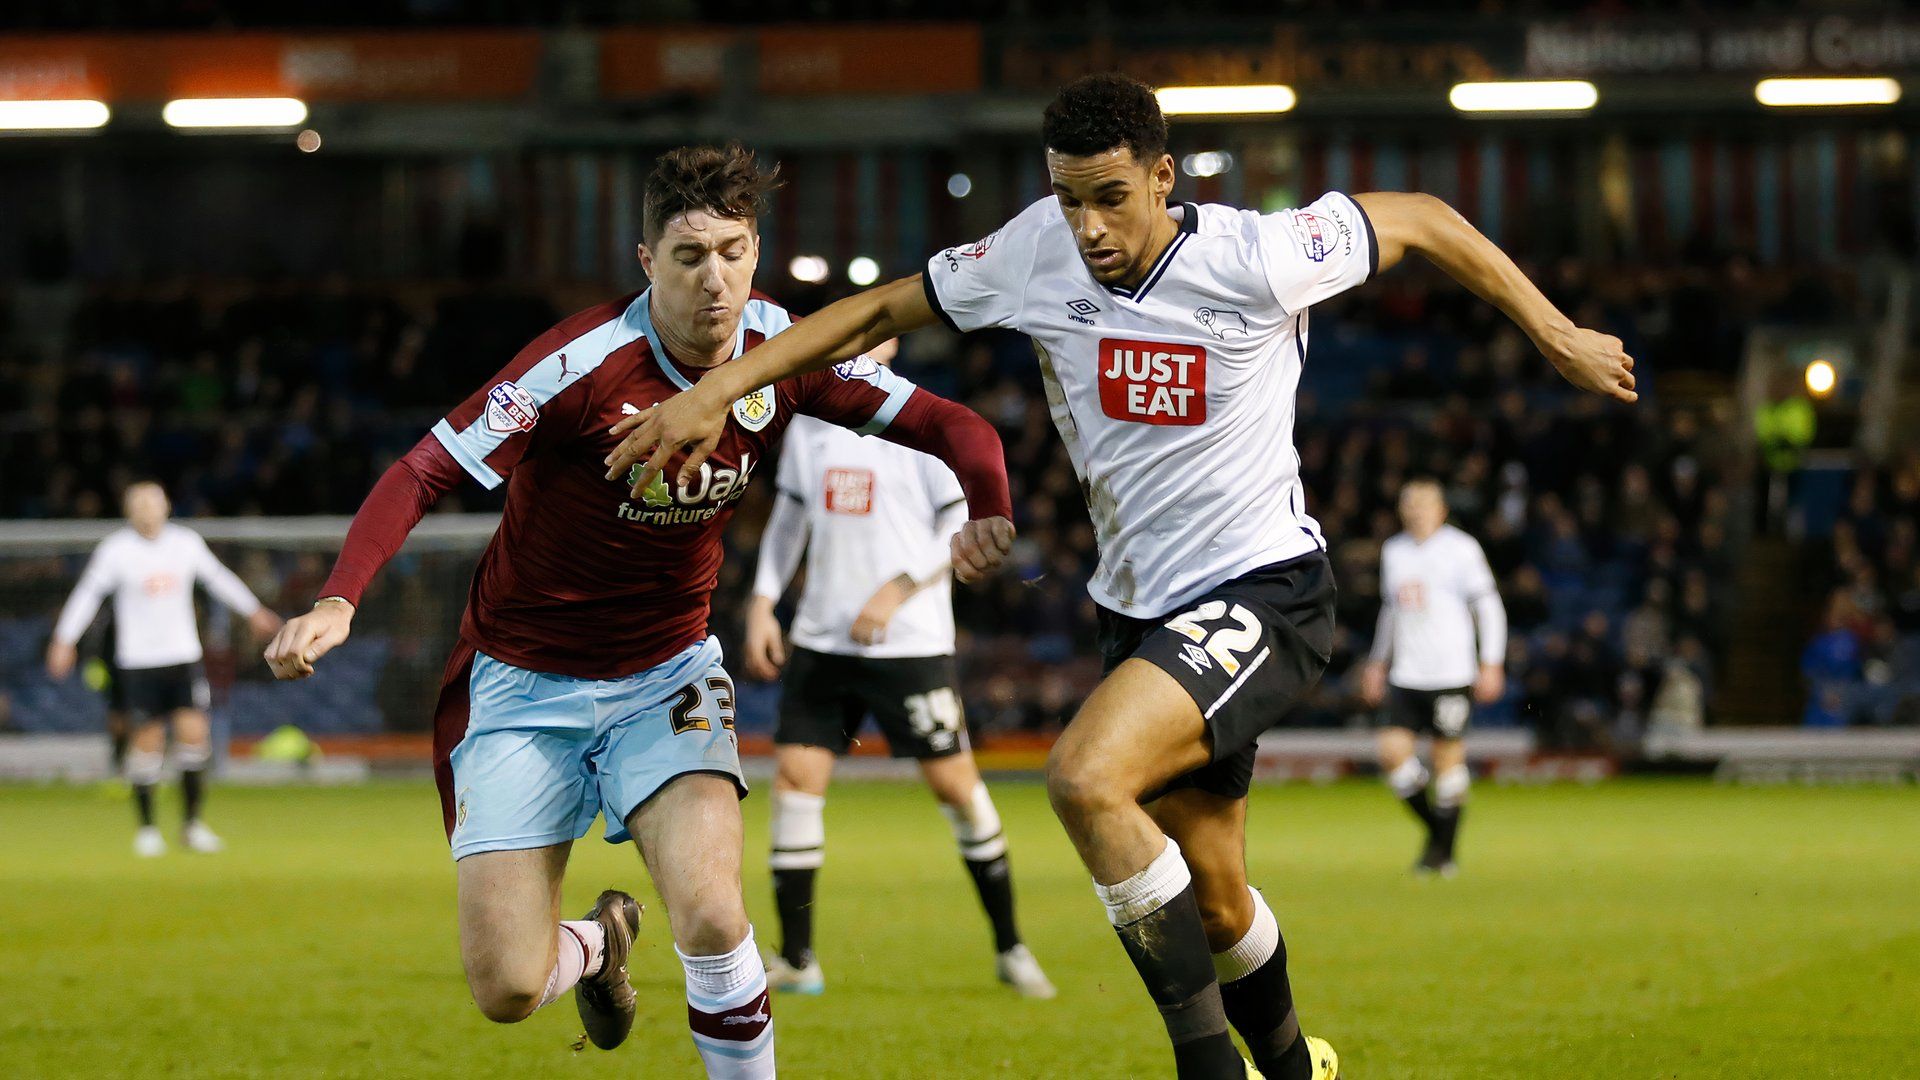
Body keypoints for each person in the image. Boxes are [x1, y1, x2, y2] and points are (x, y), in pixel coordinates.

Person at [606, 75, 1634, 1080]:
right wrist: (724, 387)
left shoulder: (1260, 253)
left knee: (1084, 777)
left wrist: (1557, 333)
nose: (1089, 225)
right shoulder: (1032, 251)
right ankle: (1292, 1066)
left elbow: (1421, 216)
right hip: (1139, 614)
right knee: (1221, 900)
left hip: (1265, 591)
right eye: (1068, 197)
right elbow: (878, 310)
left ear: (1162, 178)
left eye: (1110, 196)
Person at [263, 144, 1014, 1079]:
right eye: (690, 255)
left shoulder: (784, 351)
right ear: (646, 260)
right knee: (505, 987)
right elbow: (423, 469)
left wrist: (989, 505)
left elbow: (955, 425)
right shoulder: (578, 365)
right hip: (521, 683)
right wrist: (340, 597)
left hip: (666, 674)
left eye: (735, 252)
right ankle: (599, 944)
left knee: (710, 913)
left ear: (756, 251)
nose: (716, 280)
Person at [743, 338, 1053, 1000]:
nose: (859, 340)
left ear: (893, 341)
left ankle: (1011, 947)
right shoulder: (809, 423)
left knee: (956, 789)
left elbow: (962, 530)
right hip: (824, 639)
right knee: (796, 784)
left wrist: (899, 588)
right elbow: (788, 523)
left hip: (909, 644)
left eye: (872, 330)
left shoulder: (925, 420)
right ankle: (798, 958)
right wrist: (765, 602)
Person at [48, 481, 283, 857]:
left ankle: (191, 825)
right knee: (148, 742)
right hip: (138, 661)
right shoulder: (116, 551)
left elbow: (218, 578)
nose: (146, 508)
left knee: (194, 735)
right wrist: (64, 639)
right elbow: (88, 594)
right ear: (128, 510)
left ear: (166, 506)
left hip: (183, 657)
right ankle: (147, 830)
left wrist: (253, 610)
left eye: (152, 501)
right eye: (138, 502)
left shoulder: (185, 544)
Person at [1359, 479, 1508, 877]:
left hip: (1450, 672)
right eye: (1409, 503)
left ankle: (1439, 853)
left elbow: (1489, 607)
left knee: (1447, 761)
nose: (1415, 510)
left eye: (1424, 503)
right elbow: (1391, 611)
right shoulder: (1394, 550)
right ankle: (1440, 836)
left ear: (1441, 510)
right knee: (1392, 755)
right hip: (1406, 672)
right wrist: (1377, 662)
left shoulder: (1461, 549)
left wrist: (1491, 661)